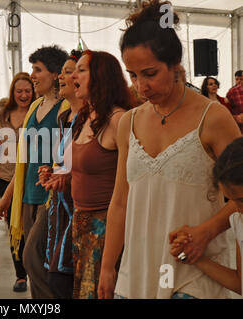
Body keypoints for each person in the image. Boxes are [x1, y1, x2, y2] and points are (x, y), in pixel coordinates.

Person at [97, 0, 241, 299]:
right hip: (137, 274)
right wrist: (108, 267)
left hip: (195, 274)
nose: (140, 86)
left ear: (175, 66)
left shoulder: (212, 117)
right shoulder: (129, 122)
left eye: (150, 73)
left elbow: (242, 196)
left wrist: (207, 231)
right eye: (132, 75)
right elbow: (120, 202)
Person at [0, 45, 69, 299]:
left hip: (51, 195)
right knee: (34, 260)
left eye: (38, 70)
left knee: (34, 257)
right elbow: (23, 160)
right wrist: (7, 196)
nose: (33, 75)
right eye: (33, 69)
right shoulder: (36, 106)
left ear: (56, 74)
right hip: (26, 194)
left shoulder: (65, 108)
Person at [67, 50, 131, 299]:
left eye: (82, 70)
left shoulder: (119, 119)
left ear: (101, 77)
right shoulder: (85, 116)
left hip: (106, 228)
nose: (74, 74)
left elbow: (128, 187)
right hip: (80, 222)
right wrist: (61, 177)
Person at [36, 50, 83, 298]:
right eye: (62, 72)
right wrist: (52, 171)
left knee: (62, 277)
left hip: (80, 208)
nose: (62, 77)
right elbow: (63, 161)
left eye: (69, 71)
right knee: (51, 271)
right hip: (59, 203)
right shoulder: (63, 117)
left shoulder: (93, 117)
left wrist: (65, 175)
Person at [170, 137, 243, 296]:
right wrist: (191, 254)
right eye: (231, 200)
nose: (238, 209)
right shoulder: (238, 221)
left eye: (241, 200)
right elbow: (240, 283)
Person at [0, 72, 35, 292]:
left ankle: (36, 271)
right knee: (14, 228)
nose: (24, 95)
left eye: (27, 90)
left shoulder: (38, 112)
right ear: (12, 92)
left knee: (33, 227)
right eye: (19, 91)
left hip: (33, 177)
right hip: (6, 177)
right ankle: (20, 275)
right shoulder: (1, 116)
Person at [226, 70, 243, 134]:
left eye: (241, 79)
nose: (239, 81)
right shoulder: (232, 92)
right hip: (238, 126)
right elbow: (227, 108)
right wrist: (236, 117)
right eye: (237, 79)